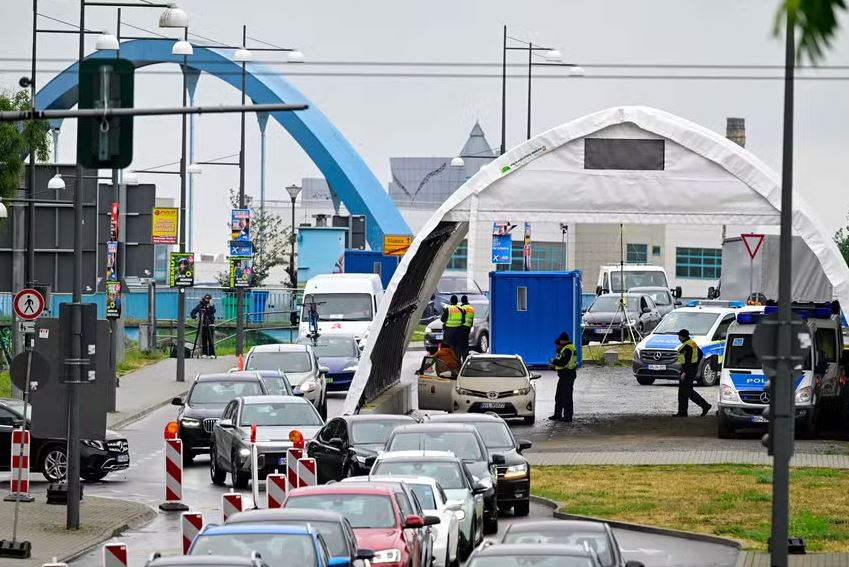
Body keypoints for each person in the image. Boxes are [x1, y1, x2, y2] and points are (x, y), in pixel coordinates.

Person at [675, 329, 711, 417]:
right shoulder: (692, 343)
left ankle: (705, 405)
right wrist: (695, 366)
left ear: (683, 337)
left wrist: (685, 372)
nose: (678, 338)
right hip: (691, 370)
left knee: (686, 391)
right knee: (684, 391)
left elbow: (687, 361)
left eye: (679, 336)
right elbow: (700, 354)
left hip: (687, 371)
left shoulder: (687, 346)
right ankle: (682, 412)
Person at [549, 332, 578, 422]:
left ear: (561, 341)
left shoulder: (567, 349)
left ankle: (567, 417)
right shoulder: (564, 349)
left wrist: (553, 361)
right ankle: (557, 414)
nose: (556, 347)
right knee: (559, 396)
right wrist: (554, 367)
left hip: (568, 375)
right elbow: (562, 364)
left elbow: (563, 362)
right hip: (564, 375)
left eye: (556, 345)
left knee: (566, 396)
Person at [440, 295, 465, 362]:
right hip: (459, 331)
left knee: (448, 347)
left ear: (451, 301)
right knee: (458, 347)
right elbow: (463, 321)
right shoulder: (461, 309)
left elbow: (442, 319)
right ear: (457, 301)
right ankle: (458, 362)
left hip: (449, 331)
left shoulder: (448, 308)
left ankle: (449, 361)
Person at [458, 295, 475, 361]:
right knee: (465, 343)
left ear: (462, 300)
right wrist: (470, 327)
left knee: (460, 344)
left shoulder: (462, 308)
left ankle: (460, 358)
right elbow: (472, 319)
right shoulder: (471, 308)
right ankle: (465, 358)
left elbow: (460, 318)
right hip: (468, 328)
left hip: (461, 327)